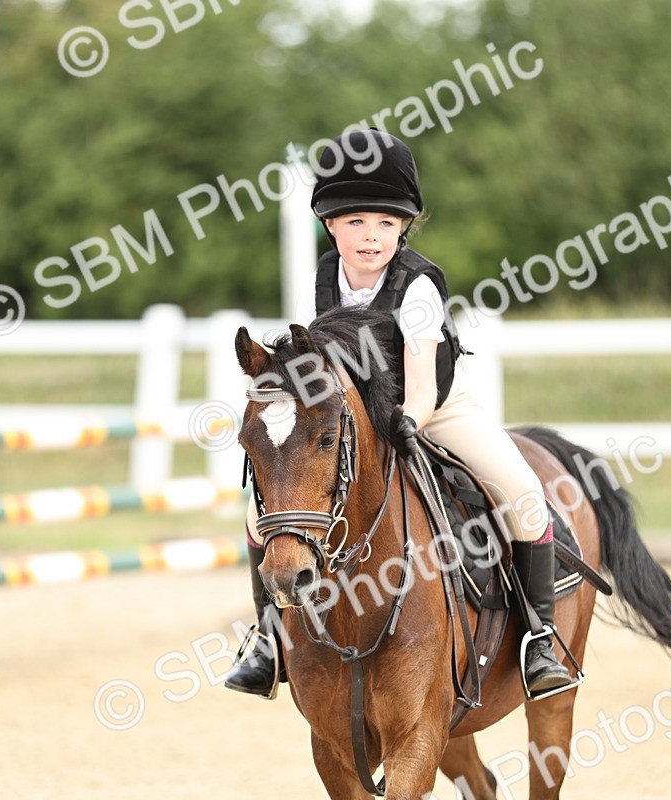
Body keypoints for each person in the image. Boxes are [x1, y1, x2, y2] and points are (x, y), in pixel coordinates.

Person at [225, 129, 572, 699]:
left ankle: (540, 637)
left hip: (431, 406)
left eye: (387, 224)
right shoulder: (325, 275)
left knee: (523, 491)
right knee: (256, 511)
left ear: (404, 227)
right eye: (356, 222)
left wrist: (405, 422)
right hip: (354, 414)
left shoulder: (417, 288)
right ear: (330, 225)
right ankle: (268, 641)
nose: (371, 237)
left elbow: (419, 388)